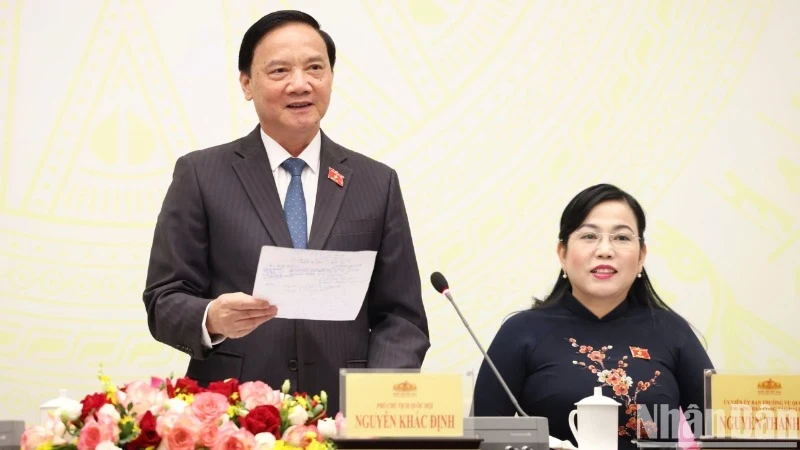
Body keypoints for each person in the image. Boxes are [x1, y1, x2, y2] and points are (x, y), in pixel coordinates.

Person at [142, 10, 430, 414]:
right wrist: (211, 317)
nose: (301, 84)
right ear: (246, 83)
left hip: (344, 417)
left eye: (316, 67)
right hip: (234, 417)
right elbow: (163, 298)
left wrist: (375, 404)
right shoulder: (201, 175)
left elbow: (402, 317)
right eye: (279, 70)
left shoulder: (375, 182)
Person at [472, 183, 713, 449]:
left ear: (641, 255)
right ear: (562, 253)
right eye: (589, 236)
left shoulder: (673, 332)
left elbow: (719, 433)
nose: (605, 250)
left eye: (621, 237)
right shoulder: (521, 332)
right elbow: (483, 439)